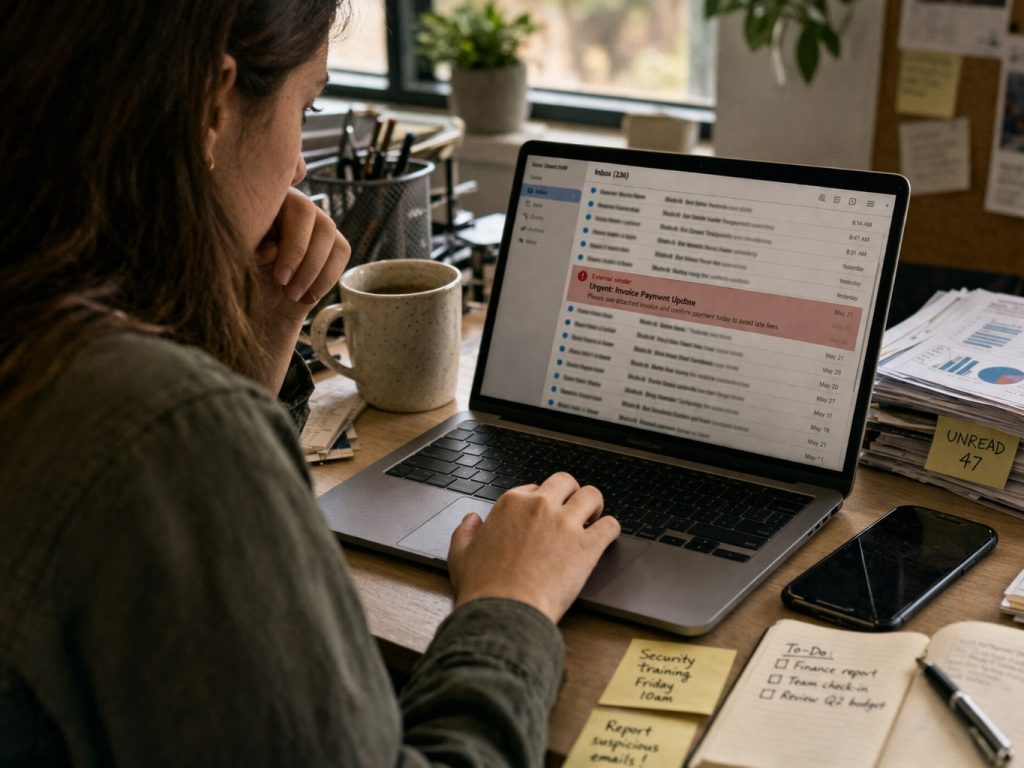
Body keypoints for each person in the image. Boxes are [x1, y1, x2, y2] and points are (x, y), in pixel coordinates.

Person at [0, 1, 620, 765]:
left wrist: (264, 327)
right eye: (308, 103)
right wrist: (511, 604)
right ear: (213, 105)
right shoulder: (160, 429)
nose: (298, 165)